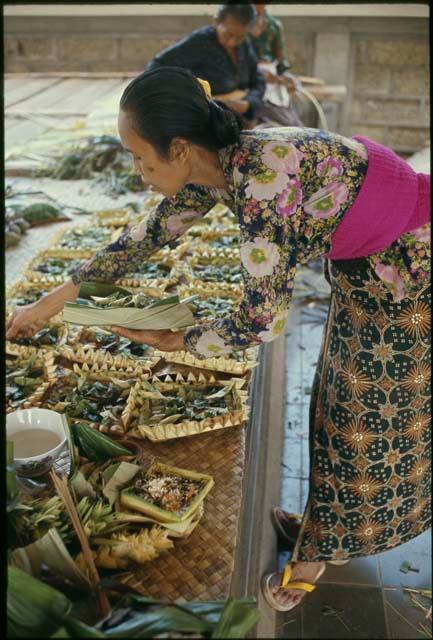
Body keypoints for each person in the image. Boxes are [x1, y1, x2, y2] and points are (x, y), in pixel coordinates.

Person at [7, 67, 431, 613]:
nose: (138, 173)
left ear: (179, 148)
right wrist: (46, 305)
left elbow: (259, 322)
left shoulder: (260, 185)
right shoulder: (214, 167)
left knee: (368, 418)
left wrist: (176, 339)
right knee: (332, 398)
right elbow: (138, 241)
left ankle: (318, 553)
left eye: (141, 158)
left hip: (409, 267)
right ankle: (332, 529)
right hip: (373, 260)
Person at [146, 3, 265, 128]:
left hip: (239, 114)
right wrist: (189, 97)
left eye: (240, 37)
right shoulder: (200, 42)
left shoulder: (245, 44)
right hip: (208, 115)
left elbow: (258, 79)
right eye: (228, 35)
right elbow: (157, 65)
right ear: (216, 22)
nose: (233, 42)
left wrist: (249, 103)